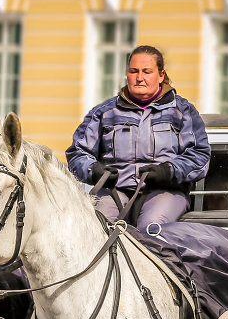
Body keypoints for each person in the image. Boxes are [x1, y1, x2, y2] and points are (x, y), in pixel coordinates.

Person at [66, 44, 210, 231]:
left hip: (165, 192)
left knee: (151, 231)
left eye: (147, 72)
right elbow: (77, 154)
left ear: (161, 75)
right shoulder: (104, 112)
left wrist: (169, 171)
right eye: (134, 71)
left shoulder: (183, 111)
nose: (139, 78)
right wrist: (94, 171)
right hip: (114, 191)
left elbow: (200, 156)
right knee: (96, 230)